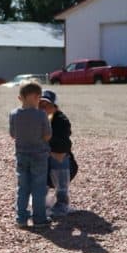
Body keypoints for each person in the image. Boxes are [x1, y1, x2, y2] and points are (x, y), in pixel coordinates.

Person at [9, 80, 52, 229]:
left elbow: (13, 134)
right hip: (39, 154)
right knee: (38, 188)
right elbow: (47, 135)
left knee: (23, 187)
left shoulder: (14, 114)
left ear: (20, 97)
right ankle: (39, 219)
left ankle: (21, 218)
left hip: (21, 154)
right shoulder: (41, 115)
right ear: (35, 96)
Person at [38, 88, 78, 218]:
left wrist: (46, 139)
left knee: (59, 155)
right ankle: (39, 201)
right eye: (40, 104)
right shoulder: (32, 119)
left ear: (55, 107)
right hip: (41, 166)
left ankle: (62, 202)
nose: (43, 108)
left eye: (47, 104)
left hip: (63, 167)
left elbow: (64, 146)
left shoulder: (61, 121)